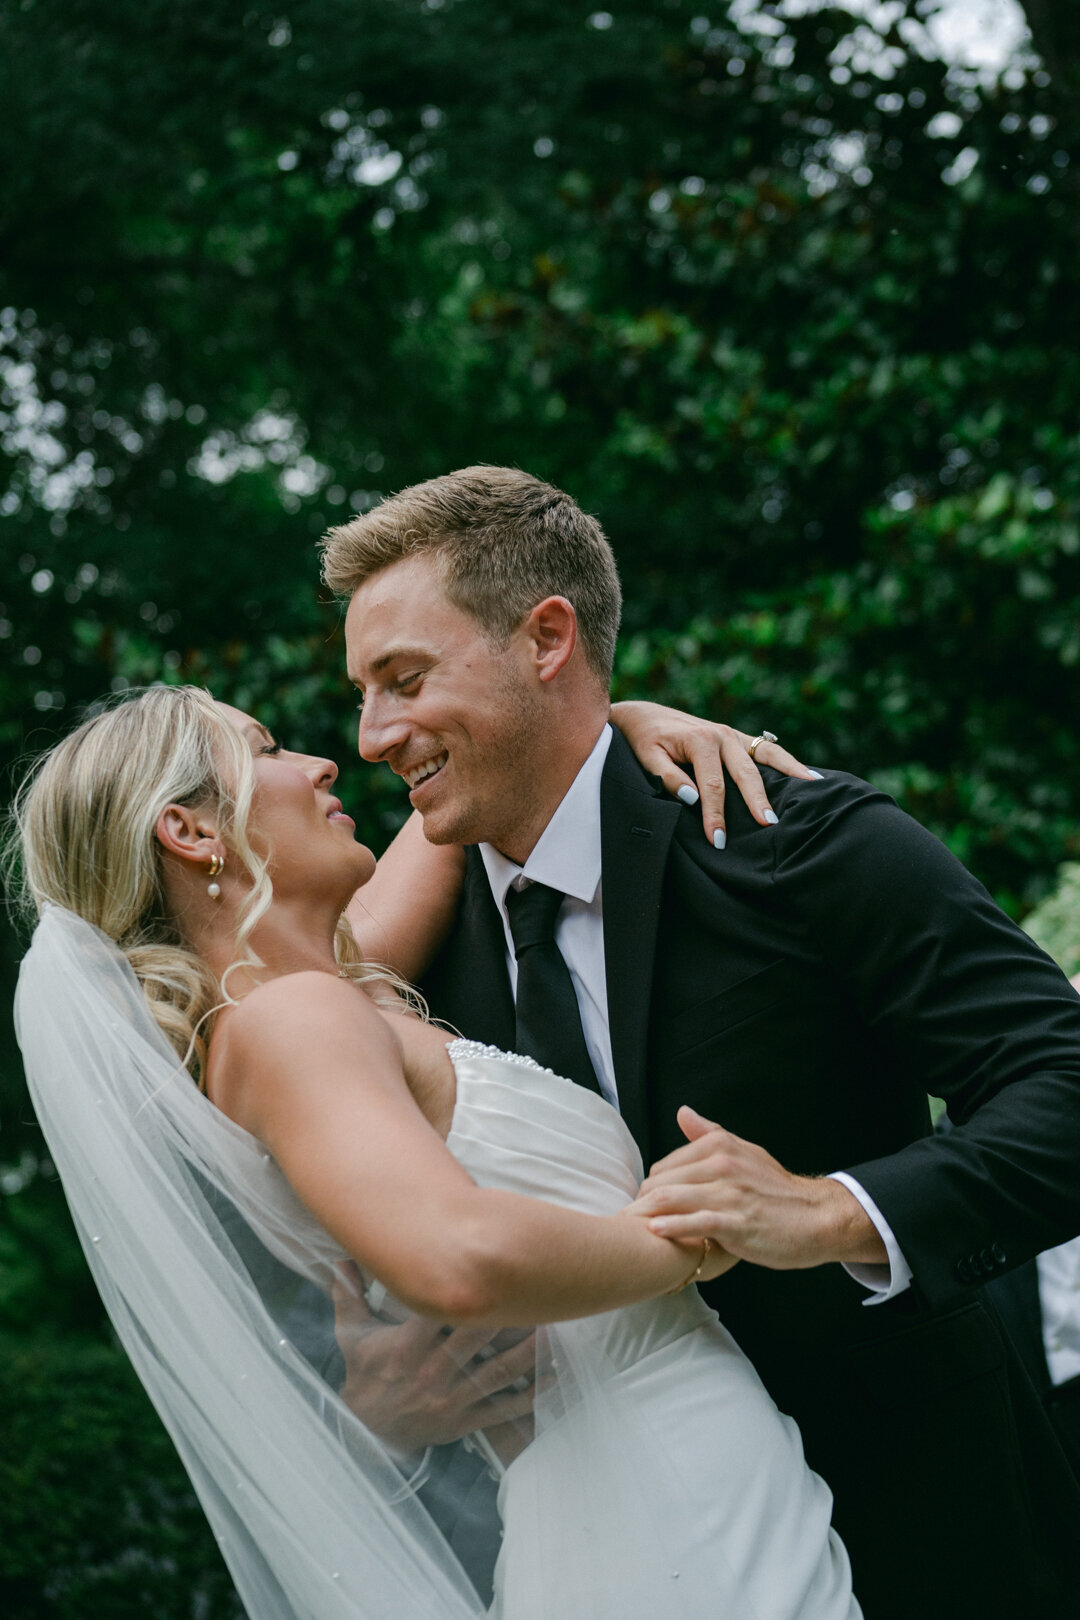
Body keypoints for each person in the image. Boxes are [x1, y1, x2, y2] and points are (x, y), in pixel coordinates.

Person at [323, 464, 1080, 1620]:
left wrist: (833, 1212)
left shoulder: (794, 840)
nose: (374, 736)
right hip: (619, 1553)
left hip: (922, 1518)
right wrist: (381, 1396)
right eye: (364, 693)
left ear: (547, 639)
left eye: (404, 679)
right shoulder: (398, 964)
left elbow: (1062, 1077)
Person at [11, 686, 862, 1620]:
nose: (323, 763)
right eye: (266, 751)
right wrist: (718, 1233)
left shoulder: (324, 988)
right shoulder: (293, 1022)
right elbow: (455, 1257)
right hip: (656, 1503)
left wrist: (612, 717)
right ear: (190, 831)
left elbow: (471, 795)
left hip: (685, 1475)